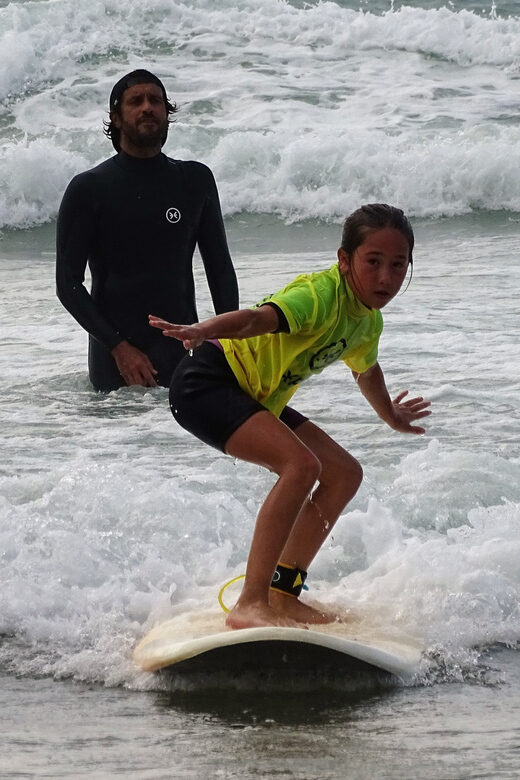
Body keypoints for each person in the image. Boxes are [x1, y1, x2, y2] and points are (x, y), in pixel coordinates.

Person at [149, 204, 431, 630]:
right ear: (344, 260)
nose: (386, 278)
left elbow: (366, 370)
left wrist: (390, 414)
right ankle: (250, 602)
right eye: (373, 262)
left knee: (343, 473)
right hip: (207, 383)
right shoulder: (318, 296)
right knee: (300, 466)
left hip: (254, 393)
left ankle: (283, 594)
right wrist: (206, 328)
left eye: (398, 265)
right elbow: (255, 320)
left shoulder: (367, 321)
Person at [56, 69, 238, 391]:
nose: (147, 108)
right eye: (135, 101)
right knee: (116, 440)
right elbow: (67, 283)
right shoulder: (90, 188)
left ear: (167, 113)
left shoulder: (194, 181)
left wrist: (228, 343)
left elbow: (220, 269)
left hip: (182, 354)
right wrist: (118, 347)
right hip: (116, 364)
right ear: (116, 117)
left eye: (156, 100)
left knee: (184, 441)